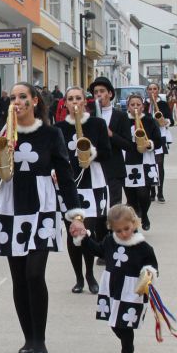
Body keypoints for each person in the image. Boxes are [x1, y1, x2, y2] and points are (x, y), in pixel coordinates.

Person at [0, 82, 86, 353]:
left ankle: (40, 338)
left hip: (41, 208)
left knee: (34, 274)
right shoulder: (4, 133)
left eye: (22, 97)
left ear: (35, 102)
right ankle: (28, 337)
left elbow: (65, 178)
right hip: (10, 208)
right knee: (19, 278)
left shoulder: (50, 134)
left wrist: (75, 215)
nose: (16, 102)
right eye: (13, 97)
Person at [78, 204, 158, 353]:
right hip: (112, 288)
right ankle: (126, 344)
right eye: (118, 230)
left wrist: (148, 274)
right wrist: (84, 238)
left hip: (131, 291)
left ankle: (126, 352)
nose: (123, 233)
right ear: (111, 228)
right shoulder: (110, 241)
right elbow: (99, 251)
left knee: (124, 323)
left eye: (126, 229)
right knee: (114, 323)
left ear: (134, 224)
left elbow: (152, 266)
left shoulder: (143, 247)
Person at [55, 86, 111, 295]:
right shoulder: (59, 127)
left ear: (84, 101)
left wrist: (91, 153)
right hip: (69, 183)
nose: (75, 102)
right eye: (71, 99)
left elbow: (107, 152)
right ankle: (78, 276)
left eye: (78, 98)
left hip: (93, 182)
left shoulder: (97, 123)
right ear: (66, 103)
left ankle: (89, 273)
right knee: (72, 232)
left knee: (88, 230)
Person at [88, 77, 133, 207]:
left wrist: (111, 134)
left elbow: (128, 145)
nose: (98, 95)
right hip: (95, 168)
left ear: (110, 94)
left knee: (113, 207)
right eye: (96, 92)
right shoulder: (89, 117)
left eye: (102, 91)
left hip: (114, 169)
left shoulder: (120, 116)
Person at [125, 94, 161, 231]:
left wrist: (149, 143)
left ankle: (144, 214)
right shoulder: (124, 120)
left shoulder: (150, 121)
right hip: (128, 162)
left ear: (143, 106)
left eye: (138, 105)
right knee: (131, 196)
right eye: (132, 105)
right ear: (128, 106)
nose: (135, 107)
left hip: (146, 160)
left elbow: (158, 140)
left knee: (144, 194)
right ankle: (134, 222)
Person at [145, 83, 172, 203]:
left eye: (154, 89)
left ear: (158, 90)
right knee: (149, 164)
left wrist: (164, 121)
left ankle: (160, 192)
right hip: (147, 137)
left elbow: (170, 119)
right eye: (150, 89)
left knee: (159, 164)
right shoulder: (144, 104)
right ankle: (152, 192)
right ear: (147, 91)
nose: (152, 91)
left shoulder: (163, 104)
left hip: (160, 135)